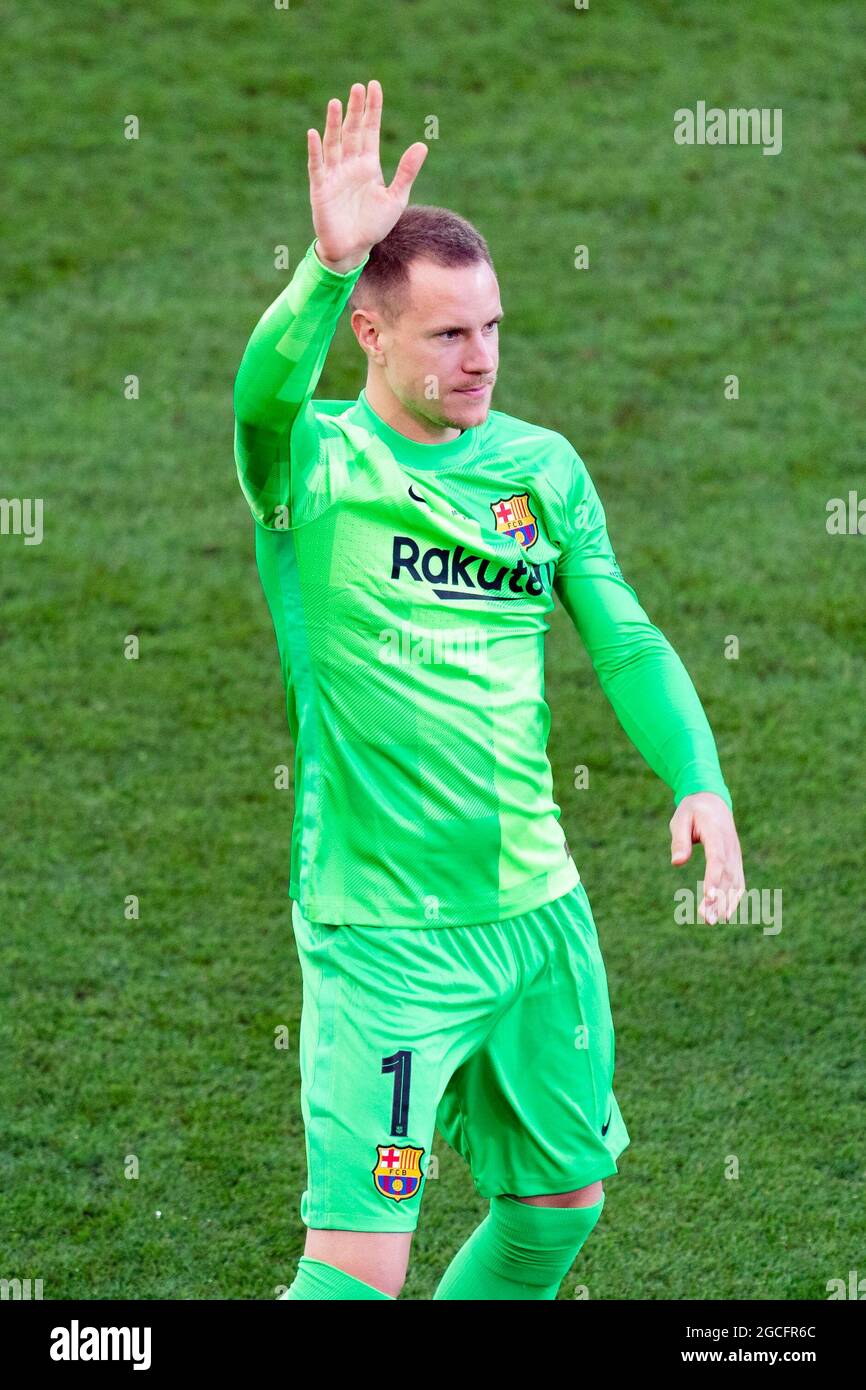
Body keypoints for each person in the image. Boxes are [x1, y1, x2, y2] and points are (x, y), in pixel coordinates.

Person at [232, 79, 745, 1302]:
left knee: (557, 1204)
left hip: (535, 915)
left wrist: (698, 779)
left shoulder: (539, 470)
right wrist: (322, 264)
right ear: (370, 333)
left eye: (493, 329)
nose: (481, 360)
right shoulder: (315, 466)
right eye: (447, 335)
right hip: (388, 941)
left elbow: (620, 637)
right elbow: (259, 397)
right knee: (358, 1268)